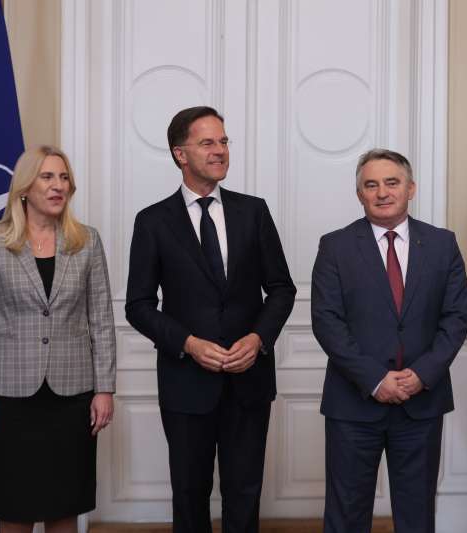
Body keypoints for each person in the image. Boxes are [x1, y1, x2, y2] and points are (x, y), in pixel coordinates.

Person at [125, 106, 296, 532]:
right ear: (180, 154)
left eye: (223, 141)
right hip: (186, 382)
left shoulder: (253, 212)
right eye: (207, 143)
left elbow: (281, 288)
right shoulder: (152, 221)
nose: (220, 150)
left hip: (248, 379)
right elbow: (138, 305)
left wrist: (258, 339)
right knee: (189, 493)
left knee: (245, 492)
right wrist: (188, 343)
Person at [311, 148, 467, 533]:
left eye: (392, 183)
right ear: (359, 194)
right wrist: (375, 379)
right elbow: (327, 321)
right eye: (371, 185)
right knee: (346, 515)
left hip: (421, 403)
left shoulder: (442, 244)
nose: (382, 192)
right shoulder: (335, 246)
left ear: (411, 188)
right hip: (354, 403)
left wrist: (421, 374)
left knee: (416, 516)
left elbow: (455, 318)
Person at [0, 145, 116, 533]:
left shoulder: (87, 241)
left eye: (64, 178)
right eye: (47, 177)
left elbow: (101, 321)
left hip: (73, 398)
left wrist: (104, 389)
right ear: (25, 187)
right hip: (11, 399)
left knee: (65, 507)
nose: (57, 185)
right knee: (16, 509)